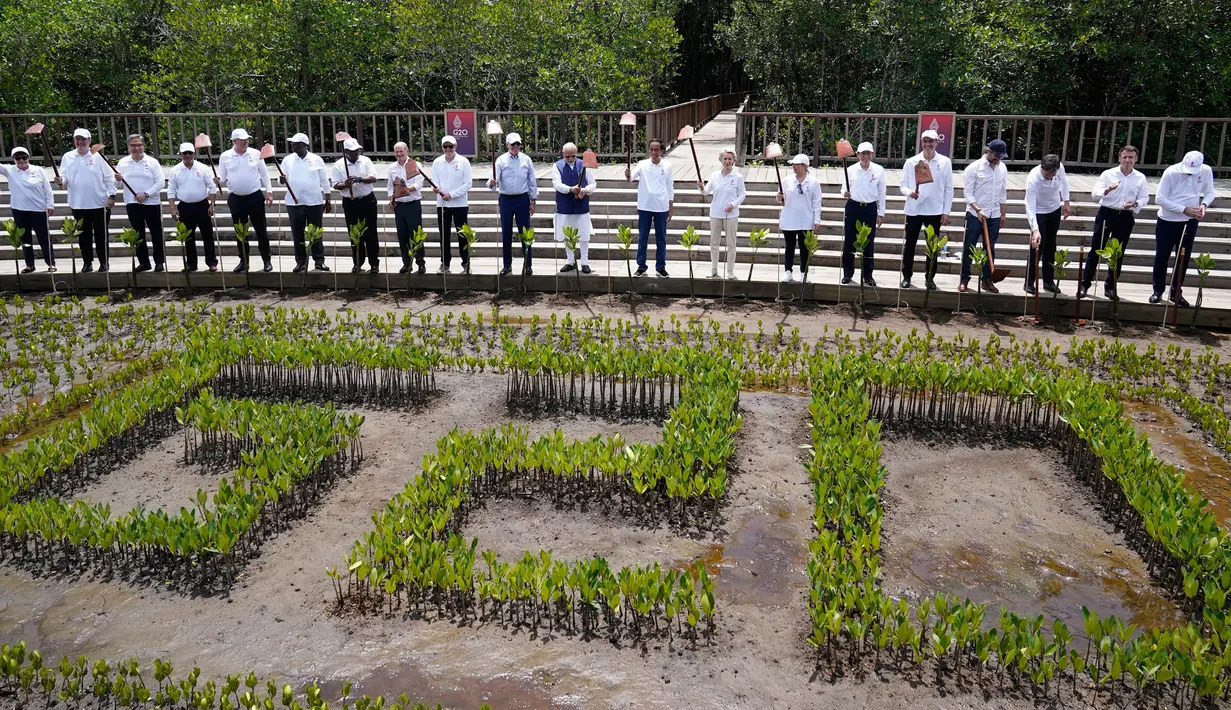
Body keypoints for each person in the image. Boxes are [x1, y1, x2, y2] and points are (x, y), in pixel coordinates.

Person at [1079, 145, 1150, 300]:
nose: (1127, 160)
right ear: (1119, 158)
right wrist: (1107, 190)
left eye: (1131, 157)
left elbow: (1145, 197)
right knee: (1096, 249)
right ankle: (1084, 284)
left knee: (1118, 253)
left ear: (1136, 159)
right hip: (1107, 214)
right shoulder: (1108, 174)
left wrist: (1135, 204)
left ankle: (1110, 287)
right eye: (1125, 157)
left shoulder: (1140, 178)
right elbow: (1094, 195)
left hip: (1125, 216)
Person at [1150, 150, 1215, 306]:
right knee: (1162, 256)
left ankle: (1176, 292)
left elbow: (1209, 192)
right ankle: (1157, 290)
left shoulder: (1205, 170)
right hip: (1168, 219)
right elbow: (1160, 198)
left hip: (1190, 220)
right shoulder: (1171, 172)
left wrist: (1204, 205)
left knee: (1183, 258)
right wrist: (1183, 209)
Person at [898, 129, 953, 290]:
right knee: (910, 245)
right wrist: (910, 193)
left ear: (937, 142)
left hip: (934, 210)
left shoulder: (945, 162)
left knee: (932, 247)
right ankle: (907, 276)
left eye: (931, 141)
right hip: (914, 209)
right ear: (921, 143)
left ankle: (930, 277)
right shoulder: (912, 161)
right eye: (925, 141)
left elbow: (949, 188)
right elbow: (903, 185)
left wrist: (946, 211)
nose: (928, 144)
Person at [215, 128, 273, 273]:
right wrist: (217, 180)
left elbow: (264, 174)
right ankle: (244, 261)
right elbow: (222, 177)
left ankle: (266, 260)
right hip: (236, 198)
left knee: (261, 230)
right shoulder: (225, 156)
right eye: (242, 140)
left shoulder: (255, 153)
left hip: (254, 197)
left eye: (246, 139)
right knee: (240, 232)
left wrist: (269, 191)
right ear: (234, 141)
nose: (245, 142)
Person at [56, 128, 114, 272]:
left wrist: (112, 196)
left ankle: (104, 262)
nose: (80, 142)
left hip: (100, 203)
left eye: (83, 139)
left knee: (102, 236)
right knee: (83, 237)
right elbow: (64, 179)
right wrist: (59, 181)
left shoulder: (99, 156)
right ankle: (87, 262)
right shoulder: (68, 157)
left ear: (89, 141)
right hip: (78, 204)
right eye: (78, 139)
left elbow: (109, 177)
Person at [960, 139, 1009, 293]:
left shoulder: (1002, 168)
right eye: (996, 155)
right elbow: (967, 194)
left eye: (1001, 156)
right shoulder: (974, 168)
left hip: (994, 215)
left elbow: (1002, 192)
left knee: (990, 248)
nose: (998, 159)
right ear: (988, 151)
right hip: (975, 215)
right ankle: (964, 280)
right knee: (969, 248)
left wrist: (1002, 212)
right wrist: (978, 210)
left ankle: (987, 280)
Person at [281, 133, 332, 273]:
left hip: (314, 202)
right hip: (294, 202)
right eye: (292, 143)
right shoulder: (287, 160)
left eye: (296, 144)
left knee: (315, 233)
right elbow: (281, 182)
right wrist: (281, 180)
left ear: (304, 145)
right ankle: (301, 262)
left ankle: (319, 261)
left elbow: (324, 180)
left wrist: (328, 199)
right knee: (297, 233)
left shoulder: (316, 159)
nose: (292, 146)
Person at [115, 134, 166, 272]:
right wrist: (118, 179)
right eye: (133, 145)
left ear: (143, 146)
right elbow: (117, 185)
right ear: (128, 147)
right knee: (138, 234)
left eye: (139, 145)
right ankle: (144, 262)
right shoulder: (123, 163)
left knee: (156, 233)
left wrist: (146, 194)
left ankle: (159, 262)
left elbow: (161, 182)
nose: (136, 148)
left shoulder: (152, 162)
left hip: (151, 203)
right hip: (132, 203)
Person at [488, 132, 537, 275]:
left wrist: (533, 200)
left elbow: (532, 181)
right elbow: (494, 182)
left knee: (525, 233)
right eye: (513, 144)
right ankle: (507, 264)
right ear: (507, 145)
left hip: (522, 198)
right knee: (506, 233)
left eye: (518, 144)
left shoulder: (526, 160)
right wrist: (492, 183)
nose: (516, 147)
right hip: (506, 199)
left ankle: (528, 265)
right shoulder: (501, 160)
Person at [0, 147, 56, 273]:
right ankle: (29, 264)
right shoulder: (9, 170)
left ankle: (51, 263)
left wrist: (50, 204)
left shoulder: (38, 170)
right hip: (19, 209)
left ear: (28, 157)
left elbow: (47, 188)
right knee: (25, 238)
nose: (21, 160)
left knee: (44, 237)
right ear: (13, 159)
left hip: (39, 209)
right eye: (17, 158)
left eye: (23, 157)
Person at [1023, 154, 1070, 295]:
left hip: (1054, 209)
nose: (1049, 177)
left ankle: (1049, 281)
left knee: (1051, 246)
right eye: (1046, 174)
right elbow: (1029, 206)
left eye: (1052, 174)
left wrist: (1066, 202)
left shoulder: (1059, 167)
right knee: (1037, 246)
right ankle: (1029, 282)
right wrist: (1035, 229)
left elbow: (1065, 182)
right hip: (1038, 211)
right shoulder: (1033, 178)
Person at [167, 142, 218, 272]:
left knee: (207, 235)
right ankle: (191, 264)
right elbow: (171, 190)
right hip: (185, 207)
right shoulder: (175, 170)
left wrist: (212, 204)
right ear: (180, 155)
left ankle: (211, 262)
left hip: (202, 205)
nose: (188, 156)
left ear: (194, 154)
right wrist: (172, 208)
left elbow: (212, 187)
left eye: (190, 153)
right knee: (188, 236)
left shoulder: (203, 168)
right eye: (185, 153)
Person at [626, 138, 674, 277]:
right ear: (649, 150)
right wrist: (628, 175)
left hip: (661, 206)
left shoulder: (667, 166)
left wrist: (671, 205)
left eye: (657, 150)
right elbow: (631, 178)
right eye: (652, 149)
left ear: (662, 150)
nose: (654, 152)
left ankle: (660, 267)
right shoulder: (642, 164)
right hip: (645, 205)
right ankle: (641, 266)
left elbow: (670, 186)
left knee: (661, 239)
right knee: (643, 237)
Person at [332, 138, 380, 273]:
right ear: (346, 151)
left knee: (371, 233)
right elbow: (336, 185)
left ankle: (374, 263)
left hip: (367, 200)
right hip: (350, 202)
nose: (356, 153)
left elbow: (373, 178)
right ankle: (357, 262)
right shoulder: (339, 164)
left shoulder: (365, 161)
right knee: (354, 233)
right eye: (353, 151)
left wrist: (359, 179)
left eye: (357, 150)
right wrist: (346, 184)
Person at [842, 141, 885, 286]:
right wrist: (845, 193)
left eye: (868, 153)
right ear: (857, 155)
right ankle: (848, 273)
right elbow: (843, 188)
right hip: (853, 206)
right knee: (849, 241)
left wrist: (881, 213)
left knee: (869, 243)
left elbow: (881, 193)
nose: (865, 156)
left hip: (870, 208)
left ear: (872, 154)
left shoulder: (879, 170)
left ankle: (868, 275)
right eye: (863, 153)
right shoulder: (851, 169)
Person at [699, 149, 745, 279]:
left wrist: (733, 204)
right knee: (714, 243)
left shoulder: (738, 177)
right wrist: (701, 187)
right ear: (721, 160)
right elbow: (706, 192)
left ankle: (730, 271)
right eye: (725, 159)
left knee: (731, 244)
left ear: (734, 161)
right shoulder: (714, 175)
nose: (727, 161)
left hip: (731, 215)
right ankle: (714, 269)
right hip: (715, 213)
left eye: (730, 159)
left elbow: (742, 194)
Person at [552, 142, 597, 274]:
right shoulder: (557, 166)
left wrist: (585, 190)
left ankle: (584, 262)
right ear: (563, 154)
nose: (571, 159)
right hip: (565, 205)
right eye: (567, 156)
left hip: (581, 205)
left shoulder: (584, 164)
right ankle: (570, 261)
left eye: (573, 156)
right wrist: (570, 189)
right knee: (567, 235)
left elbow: (593, 183)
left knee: (584, 234)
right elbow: (556, 184)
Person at [776, 154, 822, 282]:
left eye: (797, 164)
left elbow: (817, 203)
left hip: (806, 220)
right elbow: (780, 198)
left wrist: (817, 220)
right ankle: (788, 271)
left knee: (804, 248)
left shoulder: (813, 182)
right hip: (789, 218)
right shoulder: (786, 180)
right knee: (789, 246)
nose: (794, 167)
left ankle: (803, 272)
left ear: (805, 166)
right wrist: (779, 197)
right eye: (793, 164)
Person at [432, 135, 472, 273]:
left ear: (456, 147)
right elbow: (435, 180)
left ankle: (466, 263)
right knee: (444, 236)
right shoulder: (437, 162)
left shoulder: (464, 161)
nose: (448, 149)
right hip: (442, 205)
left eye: (451, 146)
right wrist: (437, 188)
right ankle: (445, 263)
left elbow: (468, 184)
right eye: (445, 147)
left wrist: (452, 195)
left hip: (460, 204)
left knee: (462, 235)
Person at [387, 141, 425, 275]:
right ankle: (406, 264)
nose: (399, 154)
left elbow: (419, 183)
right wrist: (391, 199)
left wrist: (405, 189)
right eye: (396, 152)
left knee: (416, 235)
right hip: (399, 205)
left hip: (412, 204)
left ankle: (421, 263)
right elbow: (390, 186)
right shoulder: (392, 167)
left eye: (401, 151)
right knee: (402, 236)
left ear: (407, 150)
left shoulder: (414, 164)